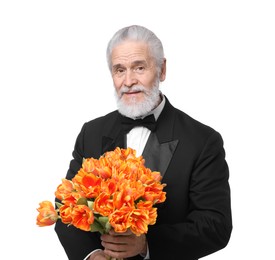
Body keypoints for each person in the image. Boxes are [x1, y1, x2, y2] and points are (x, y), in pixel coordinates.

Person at [55, 25, 232, 260]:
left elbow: (215, 226)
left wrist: (146, 245)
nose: (128, 81)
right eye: (120, 70)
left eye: (139, 67)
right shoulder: (92, 132)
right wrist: (91, 254)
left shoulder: (203, 140)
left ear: (162, 70)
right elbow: (65, 205)